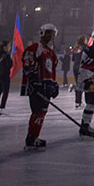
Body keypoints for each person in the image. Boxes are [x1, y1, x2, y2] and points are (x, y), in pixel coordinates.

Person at [22, 23, 59, 151]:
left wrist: (54, 84)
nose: (50, 35)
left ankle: (34, 137)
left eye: (52, 33)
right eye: (48, 32)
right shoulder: (35, 48)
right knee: (37, 113)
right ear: (42, 33)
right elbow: (28, 63)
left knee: (42, 113)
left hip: (46, 87)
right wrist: (33, 81)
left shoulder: (51, 52)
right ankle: (31, 139)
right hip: (38, 86)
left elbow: (51, 71)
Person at [0, 40, 12, 115]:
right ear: (5, 47)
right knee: (5, 92)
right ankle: (2, 108)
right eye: (9, 46)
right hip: (4, 75)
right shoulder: (6, 55)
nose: (10, 47)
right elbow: (9, 65)